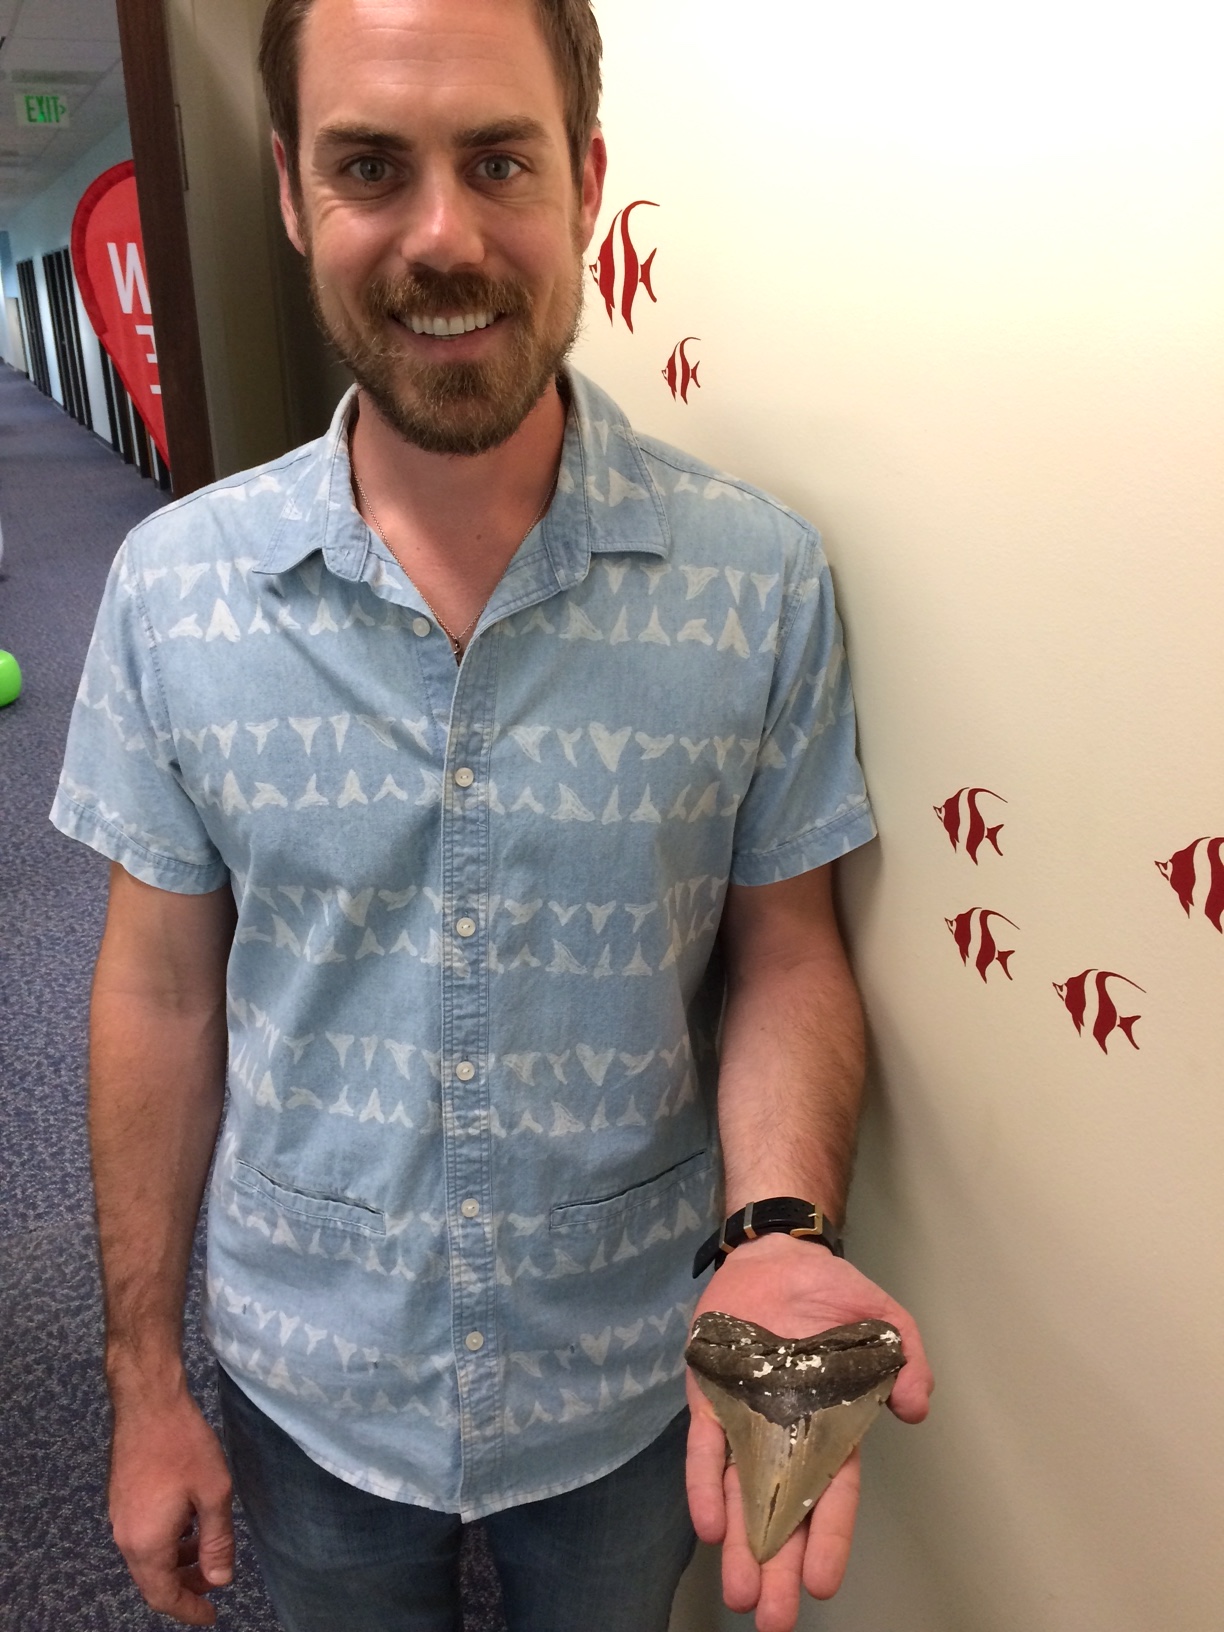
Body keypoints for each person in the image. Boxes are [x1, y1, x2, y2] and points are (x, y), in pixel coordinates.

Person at [52, 1, 933, 1629]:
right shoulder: (173, 595)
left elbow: (787, 952)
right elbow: (159, 991)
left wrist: (782, 1230)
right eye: (372, 167)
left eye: (500, 160)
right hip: (311, 1378)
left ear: (587, 180)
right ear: (293, 193)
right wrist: (142, 1384)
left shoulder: (757, 585)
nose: (443, 236)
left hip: (627, 1377)